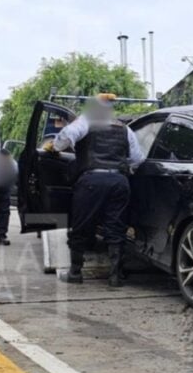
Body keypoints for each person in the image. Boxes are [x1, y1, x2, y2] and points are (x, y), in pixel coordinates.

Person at [45, 94, 144, 287]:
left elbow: (66, 136)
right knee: (116, 228)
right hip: (119, 181)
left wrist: (55, 146)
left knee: (81, 226)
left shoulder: (87, 121)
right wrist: (124, 169)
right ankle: (115, 276)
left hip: (91, 181)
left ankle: (75, 273)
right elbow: (137, 159)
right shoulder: (125, 129)